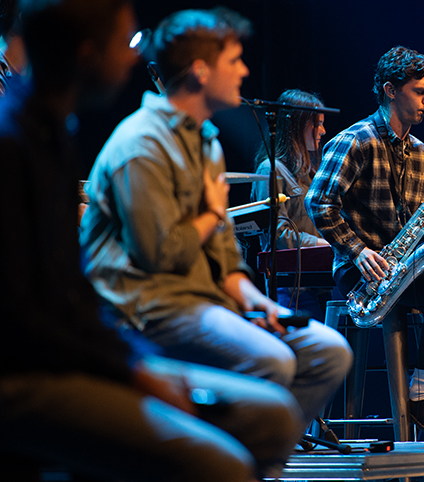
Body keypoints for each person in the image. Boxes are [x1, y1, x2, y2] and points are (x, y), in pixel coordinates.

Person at [0, 0, 300, 480]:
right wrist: (135, 371)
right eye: (126, 42)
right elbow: (27, 319)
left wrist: (137, 364)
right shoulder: (15, 141)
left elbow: (70, 295)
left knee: (276, 414)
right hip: (29, 374)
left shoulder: (55, 132)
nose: (136, 57)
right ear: (85, 53)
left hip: (90, 347)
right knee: (221, 461)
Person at [79, 7, 352, 436]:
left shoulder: (206, 143)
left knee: (328, 351)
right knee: (273, 359)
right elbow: (160, 254)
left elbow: (225, 261)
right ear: (202, 71)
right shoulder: (142, 145)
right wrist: (210, 213)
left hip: (203, 302)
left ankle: (253, 460)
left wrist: (259, 303)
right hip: (150, 310)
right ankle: (225, 456)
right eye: (234, 61)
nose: (244, 70)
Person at [306, 45, 424, 442]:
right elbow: (319, 203)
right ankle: (418, 396)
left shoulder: (423, 154)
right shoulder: (355, 140)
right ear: (391, 90)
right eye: (420, 92)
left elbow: (416, 223)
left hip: (406, 266)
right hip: (363, 272)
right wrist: (357, 251)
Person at [251, 88, 331, 320]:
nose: (323, 131)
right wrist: (324, 243)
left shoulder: (312, 172)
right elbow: (278, 236)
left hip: (322, 280)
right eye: (317, 124)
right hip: (292, 286)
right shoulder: (271, 170)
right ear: (297, 125)